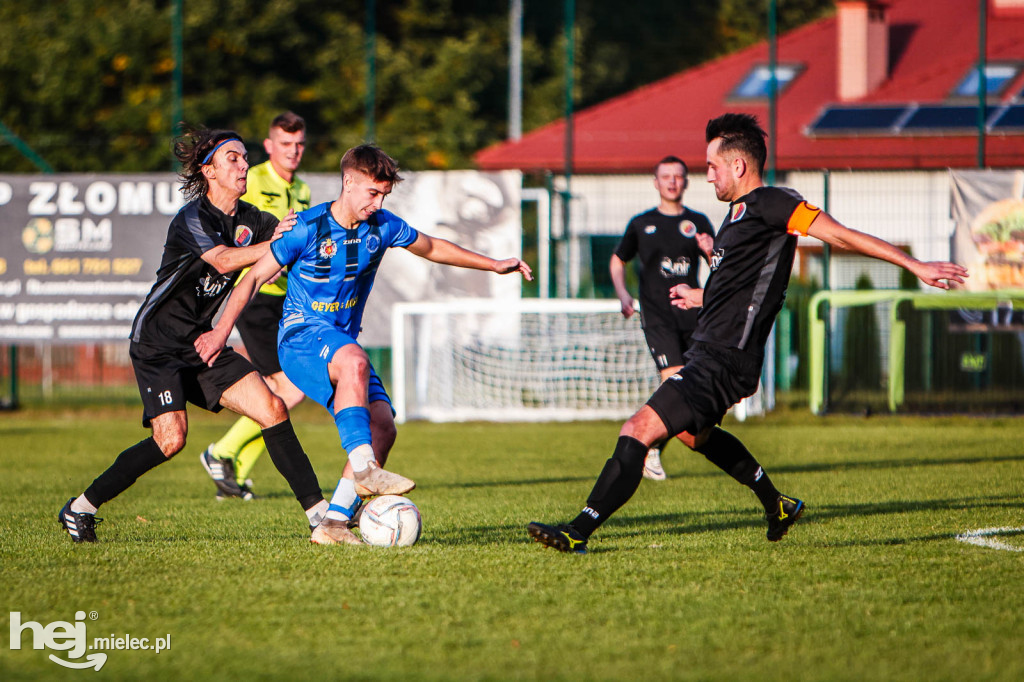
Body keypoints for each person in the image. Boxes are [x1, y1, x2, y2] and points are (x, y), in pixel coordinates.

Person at [527, 113, 968, 554]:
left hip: (725, 356)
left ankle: (577, 531)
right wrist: (701, 296)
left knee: (637, 428)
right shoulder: (734, 218)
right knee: (692, 435)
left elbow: (841, 236)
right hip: (711, 350)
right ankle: (776, 504)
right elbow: (742, 285)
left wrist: (916, 266)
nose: (707, 176)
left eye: (712, 166)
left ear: (738, 166)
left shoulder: (773, 203)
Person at [195, 144, 533, 545]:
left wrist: (493, 264)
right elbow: (252, 277)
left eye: (384, 196)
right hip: (301, 338)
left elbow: (432, 247)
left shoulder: (382, 226)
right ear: (348, 182)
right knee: (354, 360)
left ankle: (333, 524)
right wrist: (220, 331)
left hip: (339, 341)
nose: (378, 203)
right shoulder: (307, 226)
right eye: (373, 193)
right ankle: (364, 467)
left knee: (384, 427)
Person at [58, 127, 333, 543]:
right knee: (170, 440)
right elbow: (223, 261)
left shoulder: (254, 220)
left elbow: (290, 250)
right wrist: (276, 245)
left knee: (273, 408)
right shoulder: (192, 218)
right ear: (209, 171)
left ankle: (320, 517)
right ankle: (81, 508)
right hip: (158, 343)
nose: (243, 165)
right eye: (233, 159)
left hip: (203, 342)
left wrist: (316, 242)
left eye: (244, 158)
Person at [199, 112, 312, 500]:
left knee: (283, 390)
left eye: (298, 144)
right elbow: (236, 232)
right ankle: (222, 452)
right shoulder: (251, 180)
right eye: (285, 144)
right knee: (291, 386)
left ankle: (234, 473)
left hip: (288, 300)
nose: (293, 151)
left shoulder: (303, 190)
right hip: (256, 296)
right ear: (269, 146)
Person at [610, 155, 715, 482]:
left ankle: (651, 442)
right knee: (675, 381)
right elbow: (618, 260)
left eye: (678, 176)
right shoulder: (642, 224)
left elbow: (719, 266)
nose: (672, 181)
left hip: (693, 318)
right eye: (665, 176)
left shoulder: (698, 223)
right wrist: (624, 295)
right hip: (657, 318)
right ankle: (646, 443)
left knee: (691, 390)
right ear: (656, 182)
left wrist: (711, 251)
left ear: (686, 182)